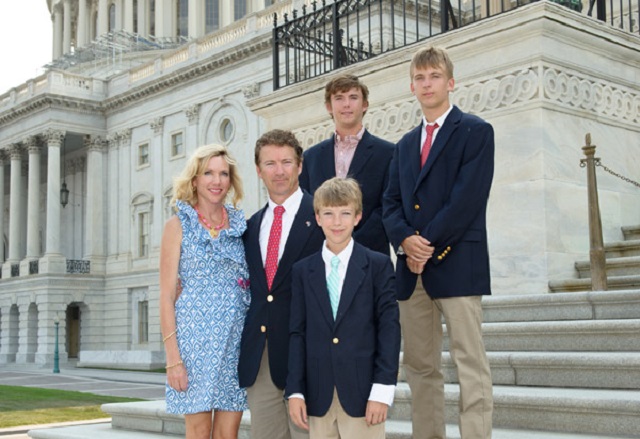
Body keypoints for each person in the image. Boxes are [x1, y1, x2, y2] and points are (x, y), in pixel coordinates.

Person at [382, 46, 494, 439]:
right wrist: (405, 241)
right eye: (419, 78)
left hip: (458, 264)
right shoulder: (404, 144)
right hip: (411, 276)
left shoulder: (476, 132)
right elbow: (390, 204)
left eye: (434, 76)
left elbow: (466, 200)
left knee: (470, 363)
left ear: (450, 82)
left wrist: (422, 244)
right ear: (411, 86)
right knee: (420, 366)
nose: (426, 84)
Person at [286, 177, 400, 439]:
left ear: (358, 216)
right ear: (317, 217)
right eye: (328, 213)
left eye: (345, 213)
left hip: (364, 395)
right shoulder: (303, 271)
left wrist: (382, 390)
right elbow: (297, 333)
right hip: (318, 396)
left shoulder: (378, 265)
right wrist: (295, 391)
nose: (336, 222)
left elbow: (389, 330)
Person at [159, 144, 251, 439]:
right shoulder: (178, 225)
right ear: (195, 180)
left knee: (229, 434)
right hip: (193, 347)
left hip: (235, 343)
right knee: (198, 432)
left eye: (224, 173)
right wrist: (173, 359)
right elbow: (165, 296)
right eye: (208, 173)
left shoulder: (241, 226)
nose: (217, 180)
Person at [239, 129, 325, 439]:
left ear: (300, 166)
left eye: (286, 162)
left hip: (310, 352)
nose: (279, 171)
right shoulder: (250, 227)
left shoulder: (322, 217)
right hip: (261, 356)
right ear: (258, 170)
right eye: (270, 163)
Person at [299, 74, 395, 255]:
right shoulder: (310, 158)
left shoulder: (389, 153)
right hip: (321, 259)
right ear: (329, 106)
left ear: (364, 104)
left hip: (370, 258)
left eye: (353, 97)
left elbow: (388, 206)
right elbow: (306, 208)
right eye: (339, 98)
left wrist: (348, 246)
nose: (346, 105)